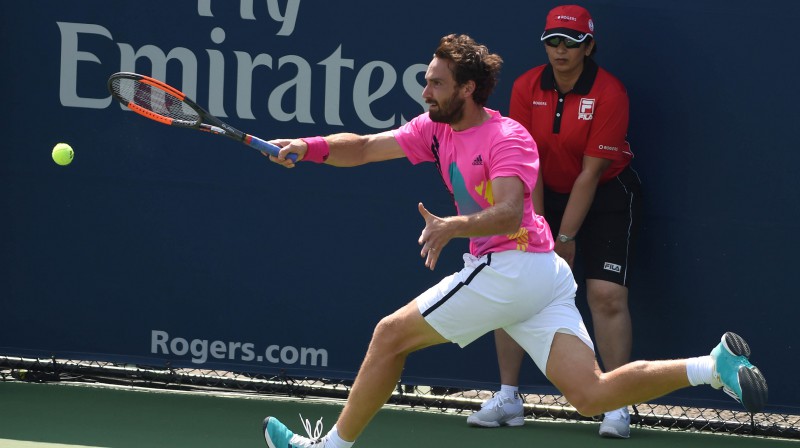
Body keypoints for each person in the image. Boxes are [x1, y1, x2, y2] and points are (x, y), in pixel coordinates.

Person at [260, 33, 767, 448]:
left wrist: (452, 226)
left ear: (468, 88)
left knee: (389, 336)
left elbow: (507, 215)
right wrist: (307, 146)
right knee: (591, 395)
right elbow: (367, 147)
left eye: (436, 83)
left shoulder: (508, 138)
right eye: (426, 81)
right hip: (539, 276)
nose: (426, 91)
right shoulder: (435, 130)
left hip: (513, 266)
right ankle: (710, 366)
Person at [466, 4, 641, 438]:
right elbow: (529, 164)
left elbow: (590, 174)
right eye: (553, 42)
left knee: (605, 295)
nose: (561, 51)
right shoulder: (527, 86)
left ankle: (616, 404)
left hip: (603, 195)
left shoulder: (610, 92)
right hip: (539, 192)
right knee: (512, 281)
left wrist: (564, 237)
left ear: (589, 47)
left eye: (572, 43)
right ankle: (509, 397)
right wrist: (539, 231)